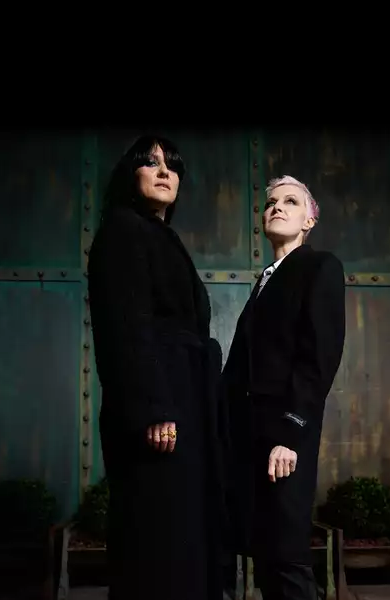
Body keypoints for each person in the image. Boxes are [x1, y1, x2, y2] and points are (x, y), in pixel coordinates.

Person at [86, 134, 228, 600]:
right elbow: (124, 325)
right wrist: (153, 408)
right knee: (158, 539)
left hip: (185, 402)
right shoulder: (122, 230)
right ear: (130, 175)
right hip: (158, 409)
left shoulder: (160, 236)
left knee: (185, 535)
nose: (165, 171)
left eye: (172, 165)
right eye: (151, 163)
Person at [221, 175, 346, 600]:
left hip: (285, 439)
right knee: (264, 558)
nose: (276, 207)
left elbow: (319, 358)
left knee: (286, 558)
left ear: (309, 220)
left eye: (290, 201)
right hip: (248, 439)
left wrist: (289, 434)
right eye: (271, 202)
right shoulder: (264, 281)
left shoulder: (320, 267)